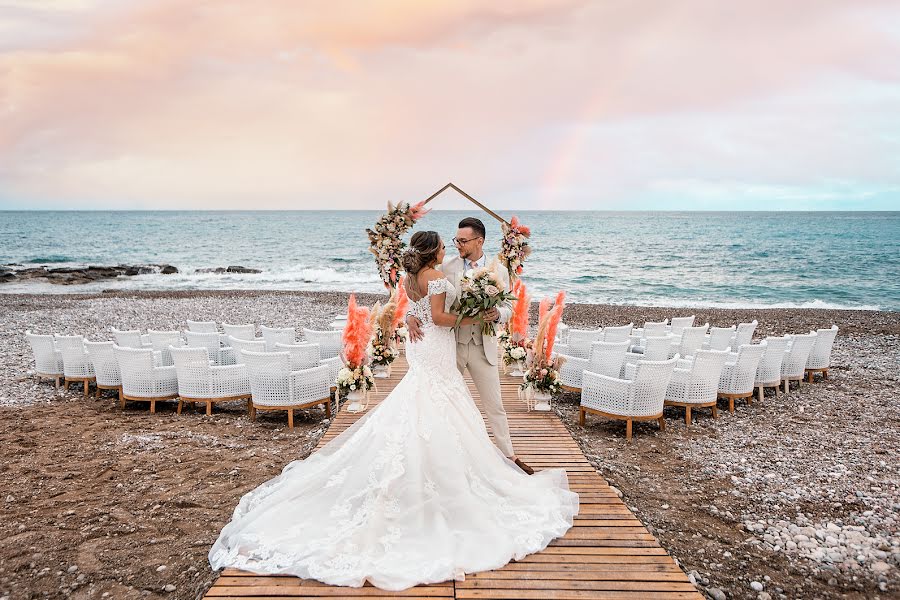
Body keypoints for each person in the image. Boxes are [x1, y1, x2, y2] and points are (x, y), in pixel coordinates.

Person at [208, 230, 578, 591]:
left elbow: (416, 309)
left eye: (460, 240)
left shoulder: (411, 275)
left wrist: (411, 318)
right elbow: (439, 317)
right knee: (436, 399)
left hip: (427, 348)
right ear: (434, 250)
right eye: (447, 243)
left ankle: (457, 461)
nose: (452, 245)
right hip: (436, 344)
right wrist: (479, 318)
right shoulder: (436, 273)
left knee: (427, 398)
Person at [406, 217, 532, 474]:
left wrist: (497, 314)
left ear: (479, 241)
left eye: (463, 241)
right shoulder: (446, 266)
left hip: (483, 346)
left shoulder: (500, 270)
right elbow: (424, 298)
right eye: (455, 241)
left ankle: (509, 456)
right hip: (449, 345)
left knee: (494, 405)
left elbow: (509, 306)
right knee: (442, 402)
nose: (457, 245)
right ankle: (442, 458)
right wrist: (409, 316)